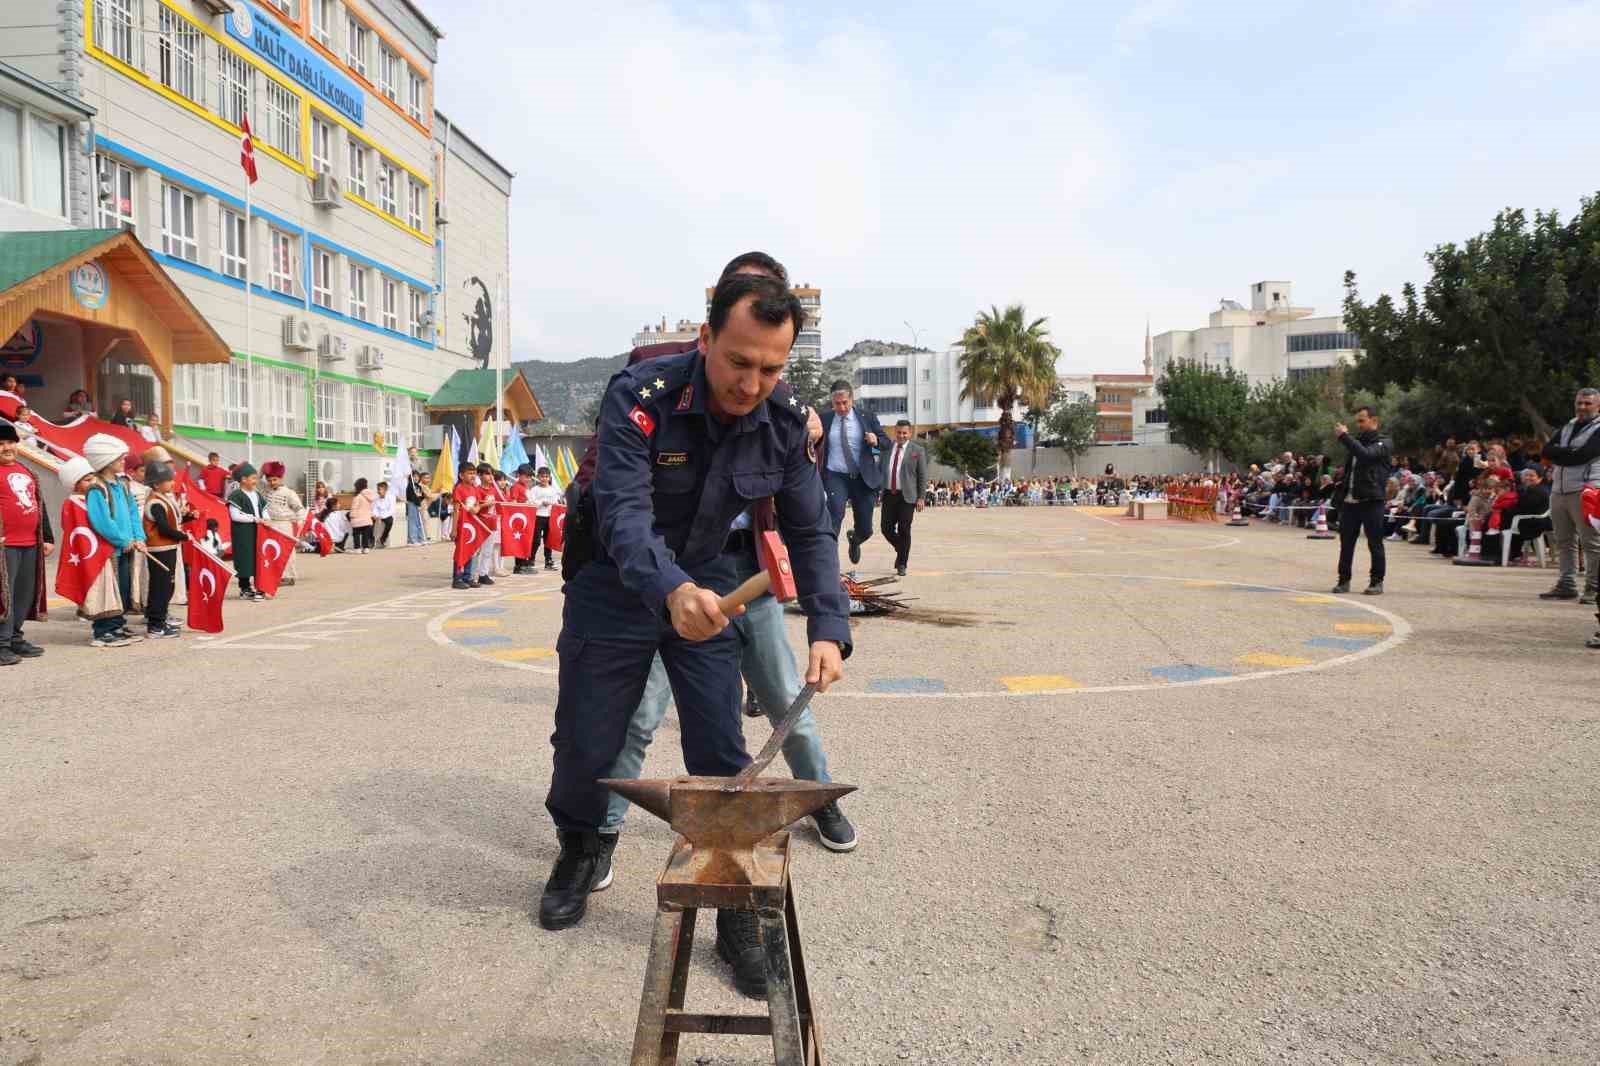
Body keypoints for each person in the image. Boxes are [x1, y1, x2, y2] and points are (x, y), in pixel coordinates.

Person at [538, 271, 849, 1003]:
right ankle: (580, 847)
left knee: (719, 747)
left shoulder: (782, 420)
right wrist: (668, 589)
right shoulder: (640, 396)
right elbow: (621, 510)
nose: (751, 383)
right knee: (589, 736)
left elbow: (809, 530)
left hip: (709, 583)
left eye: (770, 368)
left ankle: (732, 905)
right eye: (738, 362)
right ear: (706, 338)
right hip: (616, 581)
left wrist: (829, 629)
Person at [82, 433, 146, 645]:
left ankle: (117, 624)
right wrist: (122, 540)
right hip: (109, 550)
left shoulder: (123, 485)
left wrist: (138, 537)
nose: (123, 461)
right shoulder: (97, 488)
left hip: (127, 547)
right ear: (107, 460)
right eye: (120, 458)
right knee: (108, 590)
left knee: (122, 589)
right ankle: (103, 631)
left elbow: (133, 513)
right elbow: (102, 522)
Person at [1539, 387, 1600, 604]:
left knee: (1592, 542)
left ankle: (1594, 588)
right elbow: (1546, 451)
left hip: (1587, 491)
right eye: (1579, 403)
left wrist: (1560, 454)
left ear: (1598, 406)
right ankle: (1566, 584)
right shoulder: (1569, 426)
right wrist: (1568, 454)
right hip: (1559, 490)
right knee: (1564, 541)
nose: (1582, 407)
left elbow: (1584, 455)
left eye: (1588, 403)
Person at [0, 421, 52, 665]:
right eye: (1, 444)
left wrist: (48, 537)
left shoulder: (27, 471)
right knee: (4, 596)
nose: (6, 447)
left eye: (10, 442)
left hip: (30, 543)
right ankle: (1, 643)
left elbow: (40, 504)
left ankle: (14, 637)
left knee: (23, 593)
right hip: (5, 545)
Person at [817, 379, 885, 565]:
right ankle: (828, 562)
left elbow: (886, 442)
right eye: (836, 403)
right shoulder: (824, 419)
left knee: (866, 529)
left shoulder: (867, 417)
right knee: (834, 517)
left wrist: (876, 440)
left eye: (844, 403)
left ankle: (855, 540)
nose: (841, 407)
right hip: (835, 476)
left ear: (852, 399)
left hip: (863, 478)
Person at [1331, 406, 1392, 595]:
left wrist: (1344, 436)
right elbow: (1351, 469)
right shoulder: (1355, 443)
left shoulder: (1384, 443)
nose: (1358, 424)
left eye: (1362, 420)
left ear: (1374, 421)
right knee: (1346, 543)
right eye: (1357, 421)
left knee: (1375, 543)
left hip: (1372, 500)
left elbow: (1366, 455)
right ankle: (1344, 580)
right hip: (1350, 502)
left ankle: (1376, 581)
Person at [141, 460, 185, 638]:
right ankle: (155, 625)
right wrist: (184, 536)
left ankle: (161, 618)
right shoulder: (155, 503)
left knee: (167, 585)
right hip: (160, 550)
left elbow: (169, 523)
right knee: (160, 587)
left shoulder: (161, 499)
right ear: (156, 484)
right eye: (168, 480)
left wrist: (188, 517)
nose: (172, 483)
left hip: (167, 548)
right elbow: (164, 529)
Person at [877, 418, 927, 576]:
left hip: (907, 497)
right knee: (886, 529)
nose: (901, 436)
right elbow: (880, 470)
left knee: (904, 529)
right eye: (899, 432)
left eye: (905, 433)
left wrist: (921, 497)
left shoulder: (917, 450)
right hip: (888, 494)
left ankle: (902, 563)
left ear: (910, 433)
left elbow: (922, 476)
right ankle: (902, 550)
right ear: (894, 432)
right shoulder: (886, 448)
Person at [262, 461, 306, 586]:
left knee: (287, 551)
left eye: (274, 480)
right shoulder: (266, 490)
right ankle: (277, 575)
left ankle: (289, 576)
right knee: (273, 551)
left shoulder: (289, 493)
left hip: (284, 524)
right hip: (270, 524)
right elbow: (258, 480)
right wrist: (264, 469)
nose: (272, 482)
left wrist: (300, 520)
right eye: (269, 480)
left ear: (281, 478)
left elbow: (299, 508)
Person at [227, 463, 267, 600]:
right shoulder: (236, 495)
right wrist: (254, 519)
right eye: (253, 478)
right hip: (243, 533)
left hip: (258, 532)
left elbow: (264, 509)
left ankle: (260, 586)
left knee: (258, 558)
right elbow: (235, 516)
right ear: (243, 479)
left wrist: (266, 519)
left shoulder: (257, 494)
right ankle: (245, 588)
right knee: (244, 558)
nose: (256, 481)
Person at [451, 462, 485, 589]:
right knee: (461, 551)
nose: (473, 476)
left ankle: (467, 576)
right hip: (462, 526)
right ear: (461, 475)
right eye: (470, 473)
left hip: (472, 526)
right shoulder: (459, 489)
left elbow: (477, 504)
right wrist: (454, 529)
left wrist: (477, 508)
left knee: (470, 551)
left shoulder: (474, 489)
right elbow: (456, 510)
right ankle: (457, 578)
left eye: (474, 473)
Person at [529, 465, 563, 572]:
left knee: (548, 541)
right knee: (536, 540)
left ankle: (548, 561)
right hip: (538, 516)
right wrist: (541, 503)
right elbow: (531, 502)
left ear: (549, 478)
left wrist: (551, 504)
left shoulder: (553, 490)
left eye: (546, 476)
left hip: (550, 517)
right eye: (542, 476)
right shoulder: (534, 489)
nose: (544, 478)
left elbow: (555, 503)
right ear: (538, 477)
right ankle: (531, 560)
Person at [348, 477, 376, 554]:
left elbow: (354, 508)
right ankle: (366, 548)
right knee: (365, 534)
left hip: (357, 519)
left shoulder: (358, 497)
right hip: (367, 519)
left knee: (356, 534)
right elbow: (371, 507)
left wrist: (351, 516)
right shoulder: (370, 496)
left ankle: (357, 548)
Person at [405, 469, 431, 545]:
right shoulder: (410, 485)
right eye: (414, 476)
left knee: (419, 522)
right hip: (412, 505)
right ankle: (412, 540)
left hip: (418, 505)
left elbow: (421, 496)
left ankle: (420, 539)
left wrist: (421, 500)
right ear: (411, 477)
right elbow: (412, 497)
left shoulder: (418, 486)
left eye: (417, 476)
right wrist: (417, 503)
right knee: (413, 522)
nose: (416, 478)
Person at [372, 480, 395, 547]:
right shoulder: (376, 498)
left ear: (385, 490)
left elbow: (391, 510)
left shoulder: (391, 497)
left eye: (380, 489)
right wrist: (376, 516)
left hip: (386, 515)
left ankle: (383, 538)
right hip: (378, 516)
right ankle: (371, 539)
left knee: (390, 521)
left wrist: (382, 516)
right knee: (370, 521)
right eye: (378, 489)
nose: (378, 491)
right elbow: (374, 508)